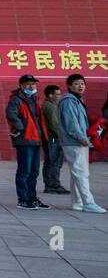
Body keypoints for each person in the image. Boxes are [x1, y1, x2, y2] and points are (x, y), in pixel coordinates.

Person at [57, 74, 105, 213]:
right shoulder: (69, 101)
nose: (80, 86)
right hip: (74, 142)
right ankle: (88, 203)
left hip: (77, 141)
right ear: (69, 86)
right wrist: (81, 137)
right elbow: (71, 123)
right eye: (77, 84)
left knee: (76, 173)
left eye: (82, 83)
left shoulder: (77, 100)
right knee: (81, 173)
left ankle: (77, 202)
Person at [6, 74, 50, 210]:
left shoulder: (35, 99)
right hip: (25, 139)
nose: (31, 86)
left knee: (34, 172)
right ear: (21, 86)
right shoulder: (16, 99)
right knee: (24, 171)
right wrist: (19, 127)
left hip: (36, 139)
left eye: (33, 84)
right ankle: (23, 199)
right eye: (28, 84)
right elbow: (11, 113)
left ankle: (32, 197)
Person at [40, 86, 68, 194]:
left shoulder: (49, 105)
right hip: (53, 138)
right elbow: (54, 125)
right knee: (54, 161)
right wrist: (62, 137)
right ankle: (53, 184)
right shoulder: (50, 107)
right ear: (50, 95)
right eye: (57, 94)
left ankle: (50, 184)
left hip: (50, 137)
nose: (59, 96)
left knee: (50, 161)